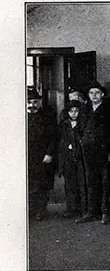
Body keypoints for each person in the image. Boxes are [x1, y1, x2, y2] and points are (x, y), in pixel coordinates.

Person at [79, 82, 110, 224]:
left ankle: (106, 212)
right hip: (88, 150)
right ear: (88, 95)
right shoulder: (84, 109)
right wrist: (82, 141)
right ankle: (91, 212)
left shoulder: (109, 110)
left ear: (102, 94)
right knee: (91, 180)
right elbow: (80, 128)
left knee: (105, 181)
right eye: (91, 93)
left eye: (97, 92)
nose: (94, 95)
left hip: (104, 149)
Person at [27, 87, 56, 221]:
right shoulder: (20, 117)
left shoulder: (47, 117)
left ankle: (41, 210)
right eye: (29, 102)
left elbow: (53, 138)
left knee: (42, 184)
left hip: (43, 156)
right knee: (29, 183)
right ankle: (30, 210)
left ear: (39, 102)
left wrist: (49, 154)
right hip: (27, 157)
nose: (32, 105)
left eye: (35, 102)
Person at [56, 100, 86, 219]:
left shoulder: (83, 124)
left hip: (80, 157)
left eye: (76, 111)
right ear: (67, 112)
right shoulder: (63, 125)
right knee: (69, 184)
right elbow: (59, 141)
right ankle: (71, 209)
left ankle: (82, 209)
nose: (74, 114)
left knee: (82, 183)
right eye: (71, 111)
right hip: (67, 158)